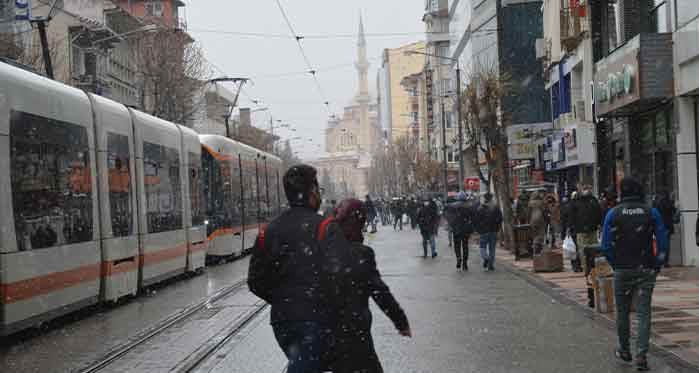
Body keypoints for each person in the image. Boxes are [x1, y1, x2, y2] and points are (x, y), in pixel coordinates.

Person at [247, 164, 352, 373]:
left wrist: (282, 299)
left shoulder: (268, 230)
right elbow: (342, 275)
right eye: (317, 189)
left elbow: (255, 280)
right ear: (312, 192)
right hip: (316, 319)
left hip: (282, 323)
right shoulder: (325, 227)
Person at [330, 198, 411, 372]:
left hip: (326, 331)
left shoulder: (323, 249)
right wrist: (400, 321)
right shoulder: (361, 253)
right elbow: (380, 292)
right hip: (355, 330)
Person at [600, 177, 668, 371]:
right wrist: (657, 263)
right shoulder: (651, 212)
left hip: (622, 268)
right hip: (645, 267)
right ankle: (641, 355)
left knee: (622, 311)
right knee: (643, 312)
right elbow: (662, 241)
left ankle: (624, 349)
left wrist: (615, 263)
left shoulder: (613, 213)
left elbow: (606, 245)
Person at [570, 185, 602, 307]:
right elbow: (599, 214)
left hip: (582, 231)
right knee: (593, 251)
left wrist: (574, 228)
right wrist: (598, 224)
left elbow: (572, 217)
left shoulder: (578, 203)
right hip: (591, 231)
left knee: (584, 252)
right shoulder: (594, 201)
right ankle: (592, 266)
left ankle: (587, 268)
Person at [445, 192, 475, 270]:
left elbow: (447, 214)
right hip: (465, 229)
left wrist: (451, 223)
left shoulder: (452, 206)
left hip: (456, 228)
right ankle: (465, 263)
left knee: (457, 245)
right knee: (465, 246)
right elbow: (473, 217)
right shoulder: (469, 206)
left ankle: (458, 258)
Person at [477, 193, 502, 271]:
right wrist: (497, 228)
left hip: (484, 231)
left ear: (484, 198)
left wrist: (479, 229)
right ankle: (491, 264)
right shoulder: (496, 207)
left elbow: (477, 221)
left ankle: (486, 258)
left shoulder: (480, 208)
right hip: (493, 230)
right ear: (491, 198)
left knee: (482, 247)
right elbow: (500, 219)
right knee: (492, 249)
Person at [653, 191, 676, 266]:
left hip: (660, 225)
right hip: (668, 226)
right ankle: (666, 262)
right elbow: (674, 211)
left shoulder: (658, 203)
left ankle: (660, 260)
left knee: (660, 244)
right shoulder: (669, 202)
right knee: (667, 244)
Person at [528, 191, 547, 255]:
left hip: (532, 220)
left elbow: (528, 212)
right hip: (540, 219)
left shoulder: (530, 203)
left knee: (535, 235)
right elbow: (544, 211)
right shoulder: (541, 202)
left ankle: (535, 248)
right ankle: (538, 249)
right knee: (541, 234)